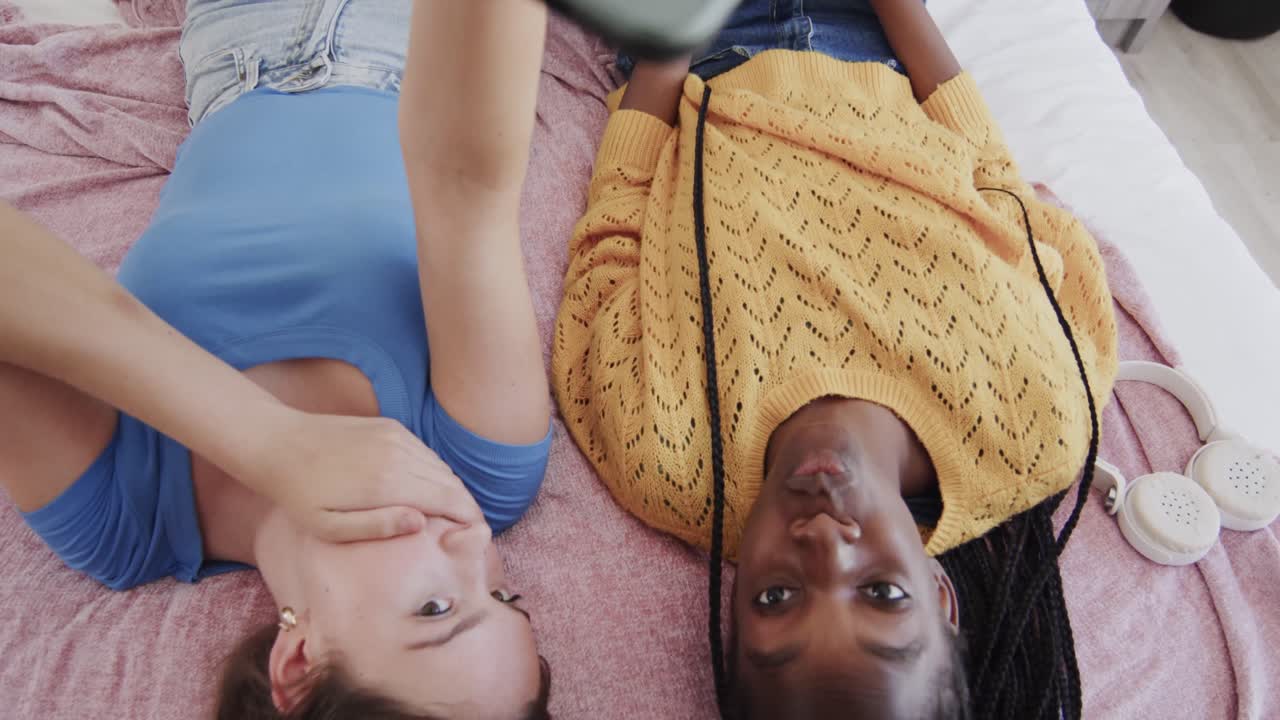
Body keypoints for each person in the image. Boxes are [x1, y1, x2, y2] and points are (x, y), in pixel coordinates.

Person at [552, 0, 1119, 718]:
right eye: (880, 592)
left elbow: (616, 222)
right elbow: (996, 181)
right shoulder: (1037, 426)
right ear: (940, 596)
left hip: (699, 54)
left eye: (776, 597)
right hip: (880, 41)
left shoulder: (666, 456)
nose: (822, 536)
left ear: (729, 613)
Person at [0, 0, 554, 717]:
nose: (472, 540)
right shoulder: (482, 470)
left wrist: (272, 443)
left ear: (298, 663)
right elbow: (465, 185)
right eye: (504, 593)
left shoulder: (120, 519)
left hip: (238, 43)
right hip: (411, 44)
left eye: (437, 606)